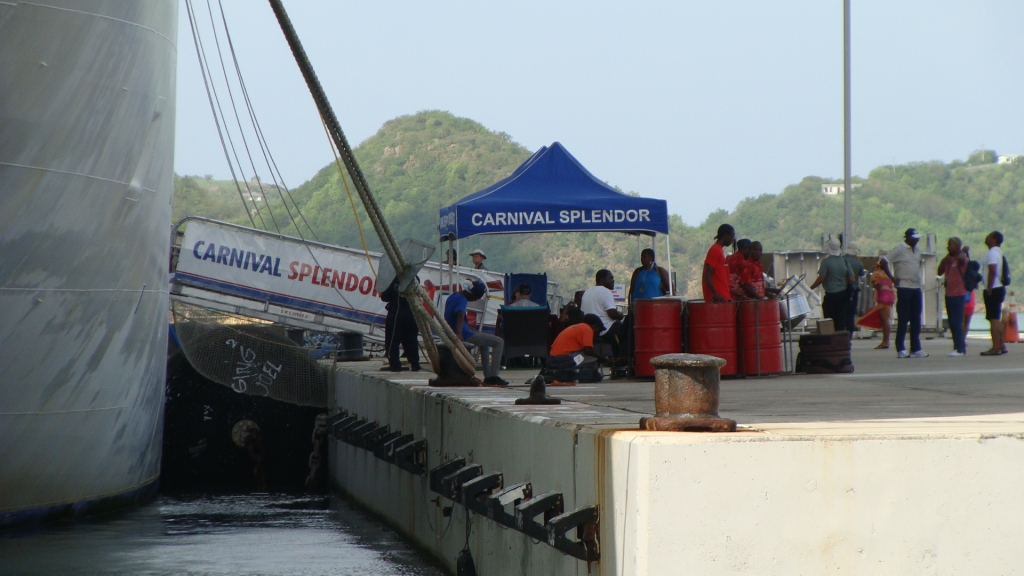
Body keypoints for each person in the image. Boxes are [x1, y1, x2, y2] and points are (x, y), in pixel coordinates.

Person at [444, 279, 508, 385]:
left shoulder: (454, 295)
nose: (475, 300)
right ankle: (494, 375)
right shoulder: (462, 299)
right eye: (477, 298)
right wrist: (459, 333)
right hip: (464, 334)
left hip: (458, 330)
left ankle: (488, 376)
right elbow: (460, 314)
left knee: (485, 342)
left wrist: (467, 327)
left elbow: (451, 316)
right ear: (473, 295)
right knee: (499, 342)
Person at [880, 228, 928, 358]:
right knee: (903, 318)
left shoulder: (917, 251)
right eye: (914, 237)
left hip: (916, 286)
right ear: (907, 237)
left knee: (916, 318)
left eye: (918, 238)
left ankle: (915, 348)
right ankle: (900, 348)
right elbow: (884, 261)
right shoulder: (899, 249)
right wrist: (892, 278)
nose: (917, 240)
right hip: (904, 286)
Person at [809, 238, 854, 331]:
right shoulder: (845, 261)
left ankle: (831, 341)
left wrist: (810, 288)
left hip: (831, 296)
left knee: (829, 321)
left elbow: (821, 278)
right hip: (843, 295)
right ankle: (840, 340)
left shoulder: (826, 262)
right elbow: (852, 279)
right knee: (841, 321)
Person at [581, 269, 625, 357]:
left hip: (590, 330)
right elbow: (612, 314)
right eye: (610, 278)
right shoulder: (605, 292)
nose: (613, 280)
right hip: (604, 330)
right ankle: (620, 359)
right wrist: (620, 314)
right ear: (602, 280)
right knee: (625, 330)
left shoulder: (587, 292)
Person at [937, 237, 969, 356]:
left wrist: (962, 252)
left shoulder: (962, 257)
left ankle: (960, 348)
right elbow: (939, 272)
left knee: (957, 322)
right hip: (949, 293)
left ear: (956, 246)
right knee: (952, 321)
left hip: (959, 293)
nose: (948, 247)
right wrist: (945, 260)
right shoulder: (948, 260)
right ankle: (958, 346)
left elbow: (963, 260)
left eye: (950, 245)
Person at [380, 277, 420, 372]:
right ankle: (415, 364)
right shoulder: (414, 277)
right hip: (411, 312)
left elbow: (385, 296)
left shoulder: (391, 279)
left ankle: (395, 365)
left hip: (397, 311)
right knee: (411, 339)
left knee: (392, 339)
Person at [981, 231, 1007, 356]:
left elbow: (992, 270)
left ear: (994, 240)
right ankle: (1001, 344)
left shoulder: (992, 253)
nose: (986, 238)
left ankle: (995, 347)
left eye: (989, 236)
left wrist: (989, 287)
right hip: (999, 288)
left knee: (993, 319)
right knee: (996, 318)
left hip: (994, 288)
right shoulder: (998, 253)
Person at [859, 261, 895, 349]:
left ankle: (885, 341)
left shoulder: (876, 274)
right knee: (886, 318)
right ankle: (886, 340)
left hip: (883, 296)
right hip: (890, 296)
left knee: (885, 319)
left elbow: (875, 284)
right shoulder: (887, 275)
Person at [703, 224, 735, 303]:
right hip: (718, 299)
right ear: (725, 236)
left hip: (723, 296)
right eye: (732, 236)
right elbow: (707, 274)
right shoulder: (715, 250)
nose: (732, 240)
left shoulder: (720, 250)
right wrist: (715, 293)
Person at [842, 242, 866, 336]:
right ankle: (849, 336)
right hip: (853, 290)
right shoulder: (858, 263)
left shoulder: (841, 259)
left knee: (841, 313)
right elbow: (862, 275)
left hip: (841, 290)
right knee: (851, 314)